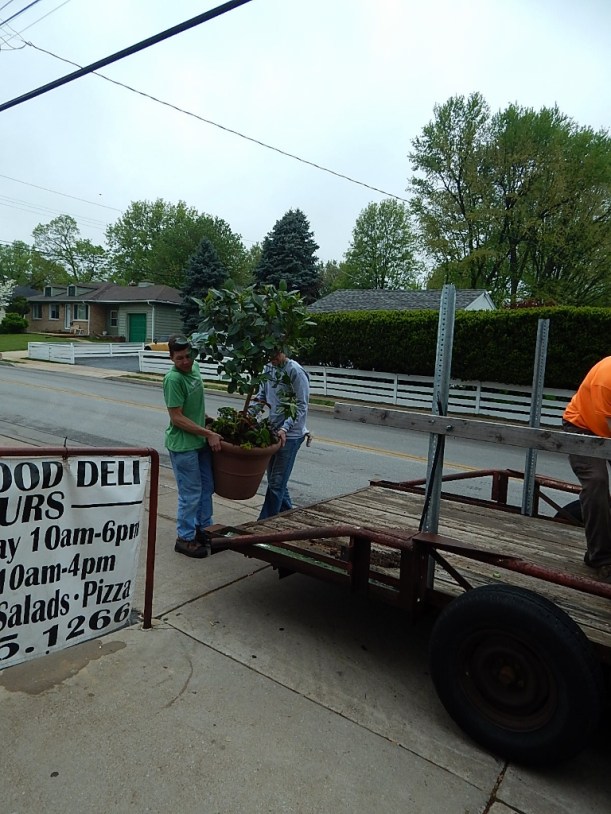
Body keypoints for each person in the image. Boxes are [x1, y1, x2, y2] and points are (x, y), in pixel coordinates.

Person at [163, 335, 222, 558]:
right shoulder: (173, 380)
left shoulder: (194, 368)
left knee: (206, 489)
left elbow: (192, 406)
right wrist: (209, 433)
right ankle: (185, 538)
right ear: (171, 358)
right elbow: (177, 417)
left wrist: (205, 419)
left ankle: (204, 530)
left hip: (199, 441)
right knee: (191, 494)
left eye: (188, 356)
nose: (186, 362)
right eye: (180, 358)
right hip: (183, 445)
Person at [563, 356, 611, 582]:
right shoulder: (607, 378)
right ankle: (600, 557)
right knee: (596, 482)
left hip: (605, 426)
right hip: (582, 427)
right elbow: (609, 427)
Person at [253, 350, 310, 520]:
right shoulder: (268, 368)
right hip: (273, 431)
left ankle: (263, 525)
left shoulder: (295, 371)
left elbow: (301, 405)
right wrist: (250, 414)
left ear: (284, 351)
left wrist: (285, 428)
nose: (273, 358)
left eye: (276, 353)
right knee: (275, 481)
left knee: (277, 483)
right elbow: (262, 395)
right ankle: (288, 517)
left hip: (291, 435)